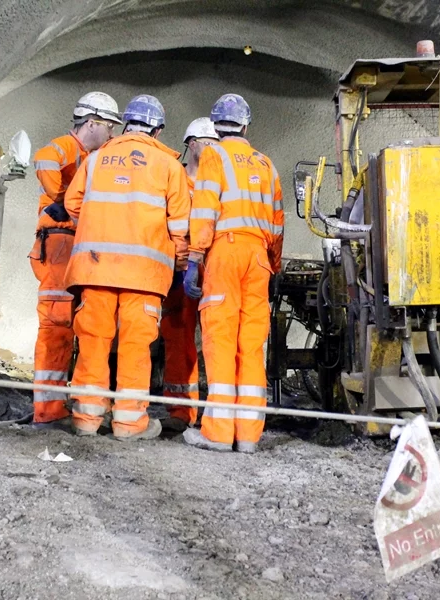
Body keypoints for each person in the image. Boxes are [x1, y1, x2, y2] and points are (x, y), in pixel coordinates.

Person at [63, 94, 190, 440]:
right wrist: (178, 264)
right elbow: (180, 228)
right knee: (136, 346)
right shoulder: (168, 167)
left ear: (126, 124)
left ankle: (87, 419)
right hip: (145, 277)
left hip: (95, 269)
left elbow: (72, 204)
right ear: (158, 130)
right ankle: (129, 424)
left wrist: (97, 225)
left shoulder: (97, 158)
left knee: (92, 340)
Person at [182, 94, 284, 453]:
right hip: (258, 259)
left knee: (220, 339)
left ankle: (218, 432)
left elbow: (204, 210)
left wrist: (195, 258)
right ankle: (248, 437)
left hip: (224, 253)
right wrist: (273, 263)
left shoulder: (214, 156)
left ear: (215, 126)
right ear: (245, 125)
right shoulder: (266, 164)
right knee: (252, 346)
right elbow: (277, 223)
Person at [29, 91, 121, 427]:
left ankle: (57, 405)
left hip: (72, 243)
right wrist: (61, 200)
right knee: (57, 324)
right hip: (60, 244)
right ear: (92, 122)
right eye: (109, 126)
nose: (112, 133)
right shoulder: (68, 148)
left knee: (73, 324)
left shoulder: (90, 156)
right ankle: (49, 410)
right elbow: (43, 158)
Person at [159, 118, 219, 433]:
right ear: (191, 143)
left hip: (215, 272)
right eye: (207, 142)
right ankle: (181, 410)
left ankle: (218, 415)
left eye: (216, 144)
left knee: (216, 342)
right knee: (178, 338)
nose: (212, 149)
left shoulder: (223, 182)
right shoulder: (176, 178)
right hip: (180, 271)